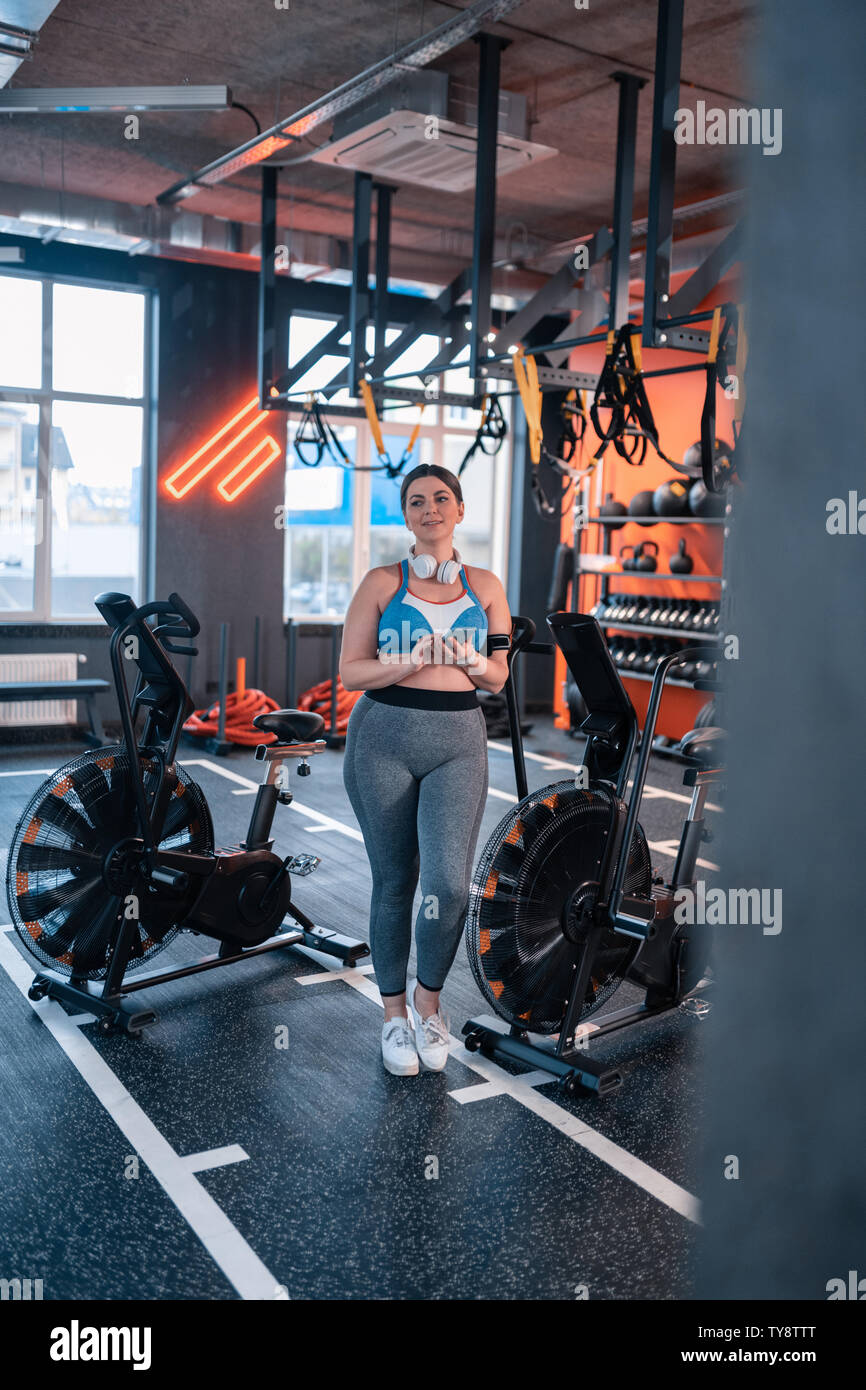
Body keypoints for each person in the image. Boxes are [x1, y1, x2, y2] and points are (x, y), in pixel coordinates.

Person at [340, 463, 511, 1076]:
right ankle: (392, 1018)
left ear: (460, 510)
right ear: (406, 516)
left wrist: (468, 659)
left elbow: (499, 676)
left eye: (442, 498)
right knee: (394, 881)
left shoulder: (487, 585)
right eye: (417, 501)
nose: (430, 509)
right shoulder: (382, 582)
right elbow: (351, 672)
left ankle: (428, 1004)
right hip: (383, 736)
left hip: (458, 740)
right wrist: (404, 662)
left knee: (447, 883)